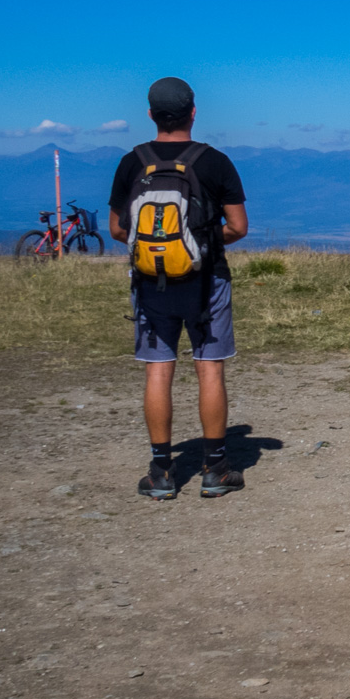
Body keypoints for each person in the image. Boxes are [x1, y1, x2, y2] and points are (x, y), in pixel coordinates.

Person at [108, 77, 249, 499]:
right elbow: (238, 227)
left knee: (158, 370)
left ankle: (161, 472)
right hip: (207, 282)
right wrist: (198, 245)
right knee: (209, 368)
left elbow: (118, 229)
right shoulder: (214, 161)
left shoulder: (132, 162)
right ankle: (216, 467)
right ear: (193, 112)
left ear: (150, 114)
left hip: (151, 285)